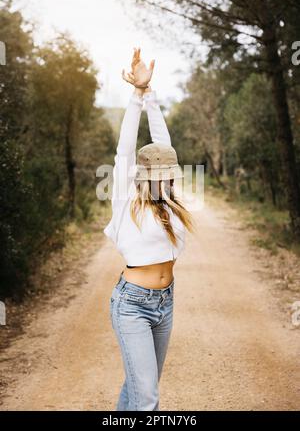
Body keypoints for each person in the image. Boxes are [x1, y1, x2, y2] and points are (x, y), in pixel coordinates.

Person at [103, 47, 195, 411]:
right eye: (155, 174)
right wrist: (137, 97)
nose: (162, 178)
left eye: (165, 173)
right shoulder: (127, 197)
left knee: (140, 388)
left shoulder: (172, 200)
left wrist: (153, 95)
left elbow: (164, 146)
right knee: (148, 399)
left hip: (165, 301)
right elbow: (124, 150)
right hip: (132, 304)